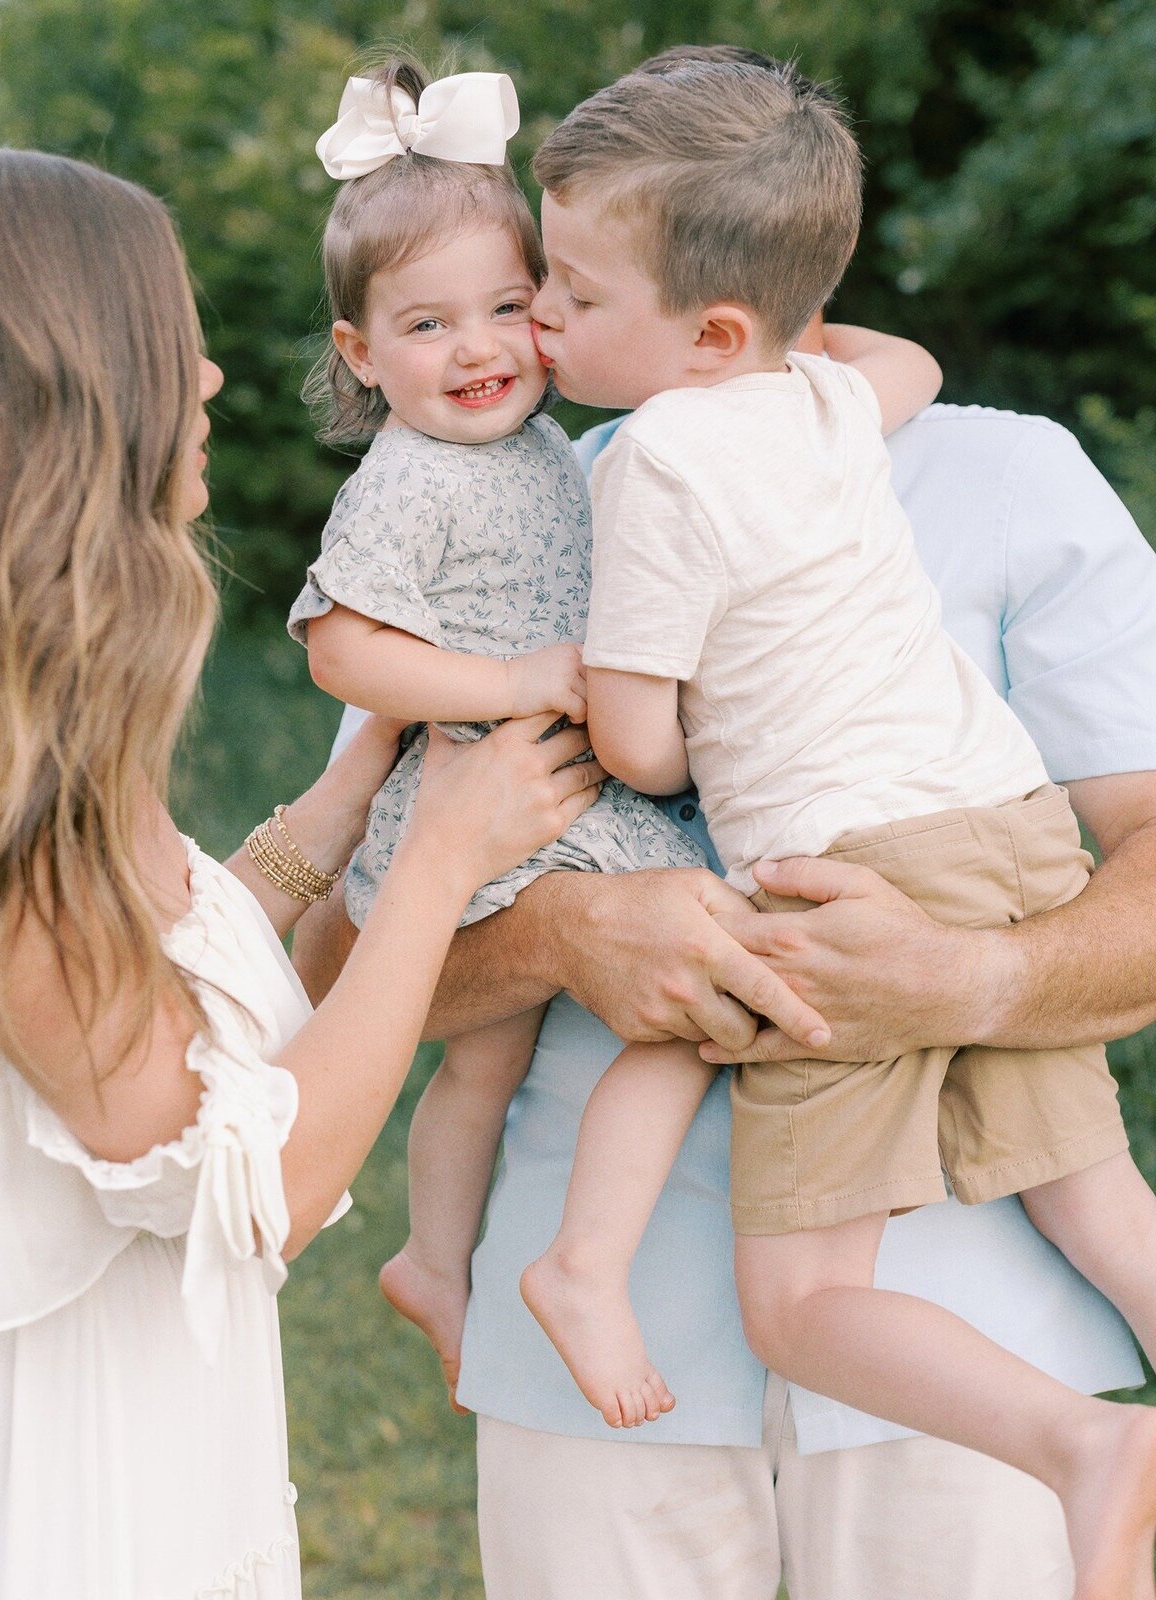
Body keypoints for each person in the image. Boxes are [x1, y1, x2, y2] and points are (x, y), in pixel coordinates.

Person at [294, 58, 1156, 1600]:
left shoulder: (1015, 478)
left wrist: (973, 984)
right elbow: (335, 959)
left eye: (563, 284)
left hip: (977, 1365)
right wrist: (562, 932)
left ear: (715, 297)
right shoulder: (511, 510)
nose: (536, 322)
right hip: (602, 1399)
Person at [0, 146, 604, 1600]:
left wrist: (354, 779)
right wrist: (436, 863)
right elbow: (257, 1187)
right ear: (74, 382)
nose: (207, 381)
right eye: (169, 340)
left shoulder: (37, 716)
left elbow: (154, 988)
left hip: (164, 1452)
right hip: (57, 1503)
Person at [286, 57, 704, 1407]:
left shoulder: (538, 447)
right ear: (359, 353)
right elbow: (338, 646)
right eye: (426, 325)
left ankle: (435, 1259)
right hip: (494, 795)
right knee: (690, 978)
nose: (476, 350)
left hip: (535, 786)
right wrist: (512, 674)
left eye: (508, 309)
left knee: (487, 1060)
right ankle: (584, 1261)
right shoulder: (410, 477)